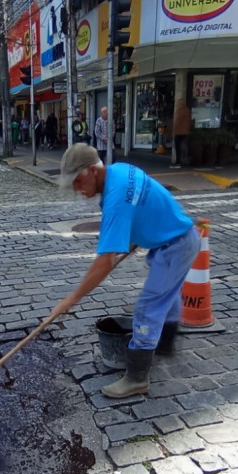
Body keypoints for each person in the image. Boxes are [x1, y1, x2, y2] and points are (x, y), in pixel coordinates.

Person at [49, 144, 199, 399]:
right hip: (177, 239)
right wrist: (132, 237)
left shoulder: (116, 198)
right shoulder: (120, 171)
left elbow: (104, 262)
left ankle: (137, 378)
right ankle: (163, 345)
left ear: (92, 171)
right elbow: (141, 202)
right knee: (167, 297)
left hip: (175, 246)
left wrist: (71, 299)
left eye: (77, 181)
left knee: (148, 307)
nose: (76, 188)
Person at [172, 99, 191, 169]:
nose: (177, 104)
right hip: (184, 131)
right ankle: (183, 161)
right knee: (183, 147)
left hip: (179, 131)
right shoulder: (187, 110)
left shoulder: (180, 110)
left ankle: (179, 161)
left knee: (179, 147)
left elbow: (177, 121)